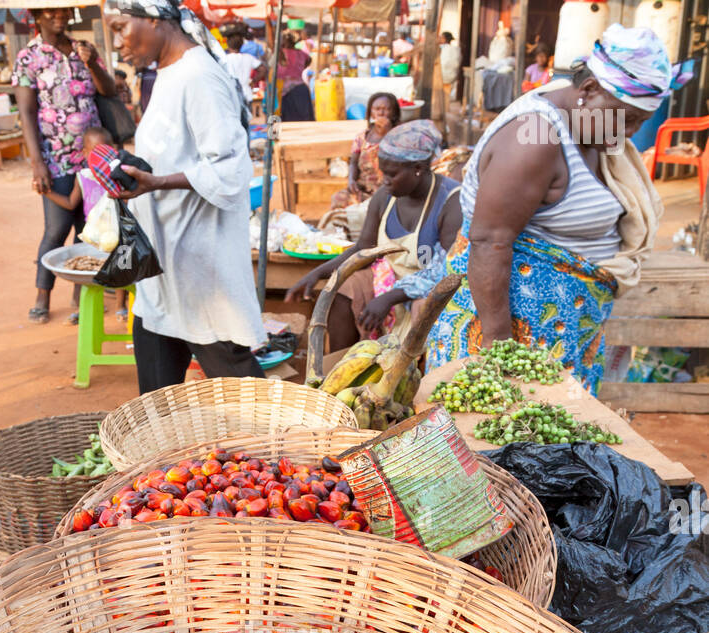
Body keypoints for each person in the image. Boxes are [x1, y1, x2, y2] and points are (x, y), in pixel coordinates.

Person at [427, 24, 691, 392]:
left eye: (639, 122)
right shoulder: (534, 140)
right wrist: (498, 351)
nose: (630, 132)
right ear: (589, 89)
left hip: (559, 336)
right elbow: (489, 241)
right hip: (510, 338)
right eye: (627, 118)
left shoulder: (591, 128)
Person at [103, 0, 265, 394]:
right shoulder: (168, 74)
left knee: (246, 400)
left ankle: (293, 433)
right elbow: (174, 154)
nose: (117, 43)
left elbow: (231, 169)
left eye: (121, 27)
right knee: (155, 403)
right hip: (163, 268)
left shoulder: (199, 77)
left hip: (200, 270)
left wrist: (156, 182)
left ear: (154, 18)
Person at [288, 121, 461, 350]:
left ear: (418, 168)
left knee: (424, 309)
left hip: (428, 290)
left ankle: (415, 369)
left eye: (392, 174)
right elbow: (363, 250)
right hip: (386, 281)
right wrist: (317, 274)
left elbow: (447, 272)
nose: (384, 180)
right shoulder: (384, 197)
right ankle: (341, 364)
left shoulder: (451, 201)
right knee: (345, 289)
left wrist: (390, 297)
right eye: (383, 172)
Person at [14, 5, 116, 323]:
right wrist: (37, 163)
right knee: (56, 228)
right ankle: (42, 295)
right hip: (55, 158)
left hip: (93, 157)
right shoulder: (28, 57)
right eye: (51, 11)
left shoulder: (83, 49)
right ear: (37, 15)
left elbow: (109, 90)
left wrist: (92, 62)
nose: (59, 15)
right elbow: (26, 113)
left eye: (64, 10)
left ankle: (80, 297)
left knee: (89, 228)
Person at [332, 91, 401, 210]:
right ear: (370, 113)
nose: (381, 113)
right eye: (377, 109)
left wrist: (387, 133)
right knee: (339, 198)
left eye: (386, 109)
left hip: (390, 190)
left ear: (394, 113)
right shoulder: (362, 137)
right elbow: (353, 162)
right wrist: (351, 180)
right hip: (364, 190)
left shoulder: (400, 135)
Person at [278, 28, 312, 121]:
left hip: (287, 93)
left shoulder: (281, 53)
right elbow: (309, 60)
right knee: (303, 122)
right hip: (301, 89)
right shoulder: (302, 53)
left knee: (288, 123)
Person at [224, 30, 263, 101]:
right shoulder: (248, 57)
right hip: (246, 94)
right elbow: (263, 70)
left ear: (228, 45)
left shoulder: (224, 59)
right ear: (241, 44)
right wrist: (253, 81)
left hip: (231, 96)